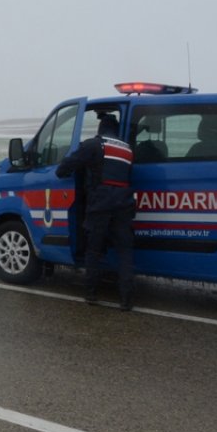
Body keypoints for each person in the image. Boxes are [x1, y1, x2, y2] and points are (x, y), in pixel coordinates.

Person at [56, 114, 136, 311]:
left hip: (100, 203)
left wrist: (62, 172)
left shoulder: (94, 145)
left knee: (93, 249)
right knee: (125, 251)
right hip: (124, 204)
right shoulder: (127, 149)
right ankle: (126, 299)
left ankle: (91, 293)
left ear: (100, 129)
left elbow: (66, 166)